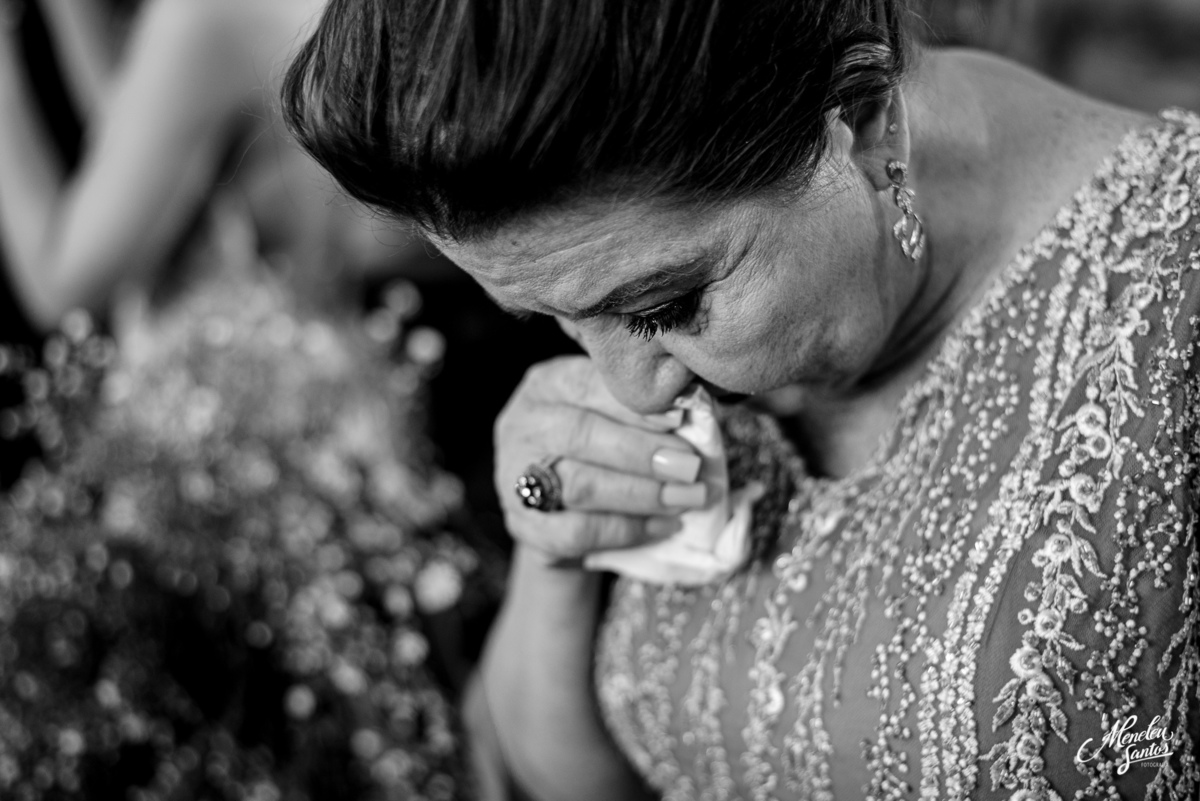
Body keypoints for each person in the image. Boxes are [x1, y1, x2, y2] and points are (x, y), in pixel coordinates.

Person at [283, 0, 1200, 799]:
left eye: (666, 306)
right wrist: (557, 556)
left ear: (867, 125)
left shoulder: (1175, 308)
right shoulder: (639, 339)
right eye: (554, 321)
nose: (630, 389)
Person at [0, 1, 491, 798]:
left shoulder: (205, 18)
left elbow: (62, 279)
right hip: (350, 431)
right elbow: (139, 143)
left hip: (234, 466)